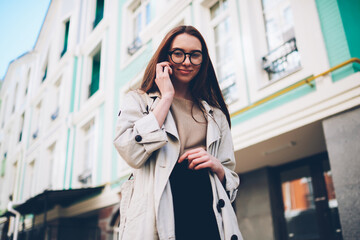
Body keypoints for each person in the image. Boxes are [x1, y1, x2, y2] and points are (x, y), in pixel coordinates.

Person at [114, 25, 242, 240]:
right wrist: (166, 98)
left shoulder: (215, 114)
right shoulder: (138, 100)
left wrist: (216, 166)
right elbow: (130, 151)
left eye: (195, 55)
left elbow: (230, 179)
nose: (187, 61)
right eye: (178, 53)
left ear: (203, 61)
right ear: (166, 57)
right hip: (158, 215)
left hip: (207, 211)